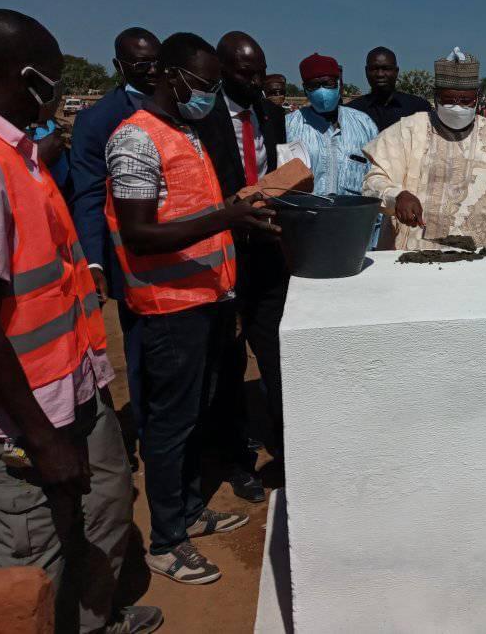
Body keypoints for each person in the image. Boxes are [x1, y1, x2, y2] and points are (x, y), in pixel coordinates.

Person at [0, 8, 161, 633]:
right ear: (27, 76)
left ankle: (92, 622)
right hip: (16, 417)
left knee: (106, 506)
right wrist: (39, 434)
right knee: (31, 561)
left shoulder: (20, 151)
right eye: (53, 77)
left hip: (76, 385)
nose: (58, 91)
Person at [106, 32, 276, 584]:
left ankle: (186, 512)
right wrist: (228, 218)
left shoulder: (185, 132)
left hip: (204, 299)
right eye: (203, 84)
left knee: (195, 414)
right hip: (167, 308)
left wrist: (232, 212)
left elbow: (195, 213)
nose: (208, 95)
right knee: (169, 425)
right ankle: (166, 541)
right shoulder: (135, 139)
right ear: (171, 76)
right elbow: (138, 234)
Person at [195, 31, 289, 493]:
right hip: (221, 260)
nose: (254, 81)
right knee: (228, 366)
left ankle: (286, 446)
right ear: (222, 70)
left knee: (276, 359)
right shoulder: (200, 120)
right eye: (243, 74)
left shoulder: (273, 116)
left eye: (260, 71)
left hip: (269, 256)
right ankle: (236, 460)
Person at [363, 47, 486, 249]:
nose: (457, 107)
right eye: (449, 100)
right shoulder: (409, 131)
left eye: (465, 101)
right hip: (413, 262)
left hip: (483, 265)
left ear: (476, 98)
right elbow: (372, 183)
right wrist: (396, 197)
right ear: (436, 96)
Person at [71, 27, 160, 434]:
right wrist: (93, 262)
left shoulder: (180, 108)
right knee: (143, 352)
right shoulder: (98, 120)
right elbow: (88, 196)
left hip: (187, 251)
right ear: (119, 66)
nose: (152, 70)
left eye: (157, 62)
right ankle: (146, 428)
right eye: (141, 64)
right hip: (132, 259)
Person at [285, 53, 380, 245]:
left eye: (327, 83)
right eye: (313, 85)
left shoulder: (364, 124)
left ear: (339, 84)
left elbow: (376, 180)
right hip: (307, 230)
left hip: (354, 230)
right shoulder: (289, 127)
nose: (321, 91)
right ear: (305, 90)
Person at [347, 46, 431, 132]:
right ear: (366, 71)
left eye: (386, 68)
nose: (380, 74)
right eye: (374, 69)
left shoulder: (418, 108)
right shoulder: (350, 112)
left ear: (396, 71)